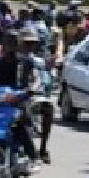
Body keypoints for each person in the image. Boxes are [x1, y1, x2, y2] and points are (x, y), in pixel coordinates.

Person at [0, 31, 41, 170]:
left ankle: (33, 156)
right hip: (0, 99)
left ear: (18, 44)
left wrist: (30, 90)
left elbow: (36, 79)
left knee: (20, 122)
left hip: (20, 99)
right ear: (3, 44)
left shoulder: (26, 62)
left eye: (13, 42)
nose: (10, 46)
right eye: (7, 42)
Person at [19, 29, 54, 163]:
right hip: (12, 95)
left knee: (48, 108)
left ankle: (43, 148)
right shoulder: (13, 57)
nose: (29, 46)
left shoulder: (38, 61)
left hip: (31, 95)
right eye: (26, 43)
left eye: (32, 43)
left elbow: (41, 79)